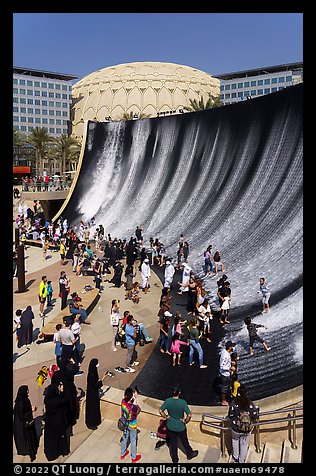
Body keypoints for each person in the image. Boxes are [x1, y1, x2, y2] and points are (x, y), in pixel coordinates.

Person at [159, 386, 198, 464]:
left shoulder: (167, 401)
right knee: (184, 441)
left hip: (170, 425)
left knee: (173, 443)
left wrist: (166, 416)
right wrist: (185, 421)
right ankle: (189, 454)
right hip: (180, 426)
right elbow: (189, 415)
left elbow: (160, 410)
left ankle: (175, 460)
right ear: (179, 393)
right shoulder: (183, 402)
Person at [228, 384, 259, 463]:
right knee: (244, 445)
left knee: (235, 440)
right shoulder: (250, 404)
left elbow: (230, 415)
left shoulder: (234, 403)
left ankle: (235, 458)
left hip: (235, 428)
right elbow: (255, 416)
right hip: (246, 429)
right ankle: (241, 461)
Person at [43, 382, 71, 461]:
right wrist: (62, 391)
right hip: (57, 421)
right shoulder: (57, 400)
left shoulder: (47, 399)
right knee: (59, 436)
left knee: (50, 438)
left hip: (49, 421)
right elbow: (65, 399)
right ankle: (60, 450)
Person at [13, 385, 39, 462]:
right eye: (27, 390)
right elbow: (22, 415)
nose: (28, 392)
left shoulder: (23, 400)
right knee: (26, 440)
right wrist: (31, 410)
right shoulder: (21, 403)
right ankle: (27, 451)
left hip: (23, 424)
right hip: (22, 426)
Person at [120, 387, 142, 463]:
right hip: (132, 425)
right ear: (131, 396)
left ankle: (122, 454)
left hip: (125, 423)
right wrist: (135, 402)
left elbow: (123, 410)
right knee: (133, 440)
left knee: (125, 438)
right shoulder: (133, 407)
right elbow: (138, 411)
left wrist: (132, 399)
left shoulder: (123, 401)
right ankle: (133, 457)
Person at [85, 358, 108, 430]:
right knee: (93, 410)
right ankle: (92, 423)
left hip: (91, 394)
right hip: (93, 395)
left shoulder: (91, 372)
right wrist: (103, 378)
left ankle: (93, 422)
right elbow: (95, 386)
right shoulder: (92, 374)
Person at [219, 340, 236, 406]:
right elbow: (222, 366)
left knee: (227, 386)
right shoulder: (225, 356)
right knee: (224, 387)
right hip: (225, 374)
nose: (233, 347)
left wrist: (230, 362)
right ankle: (223, 400)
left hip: (226, 373)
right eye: (232, 346)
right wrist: (230, 368)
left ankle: (227, 394)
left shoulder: (225, 351)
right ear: (229, 348)